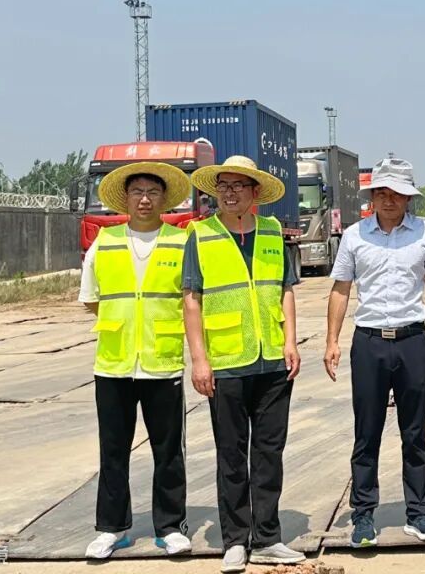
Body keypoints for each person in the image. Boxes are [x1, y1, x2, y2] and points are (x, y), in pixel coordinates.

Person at [181, 156, 305, 572]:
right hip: (227, 362)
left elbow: (286, 289)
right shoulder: (201, 235)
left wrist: (290, 341)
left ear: (255, 192)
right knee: (231, 455)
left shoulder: (271, 232)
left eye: (238, 186)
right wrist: (199, 360)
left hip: (272, 362)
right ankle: (235, 539)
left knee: (269, 453)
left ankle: (267, 536)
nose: (230, 193)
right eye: (223, 186)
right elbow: (192, 300)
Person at [323, 158, 425, 548]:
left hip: (413, 341)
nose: (389, 199)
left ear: (408, 197)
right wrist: (332, 341)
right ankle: (363, 515)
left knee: (415, 432)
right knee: (367, 432)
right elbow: (341, 290)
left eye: (396, 193)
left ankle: (419, 513)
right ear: (372, 197)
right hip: (369, 343)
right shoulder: (355, 236)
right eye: (381, 192)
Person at [78, 161, 193, 559]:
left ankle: (171, 526)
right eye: (137, 192)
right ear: (125, 199)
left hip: (162, 362)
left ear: (165, 199)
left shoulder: (182, 242)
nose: (145, 199)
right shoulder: (104, 242)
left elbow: (191, 299)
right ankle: (111, 529)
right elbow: (91, 299)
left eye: (153, 192)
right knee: (112, 450)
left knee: (169, 450)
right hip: (114, 363)